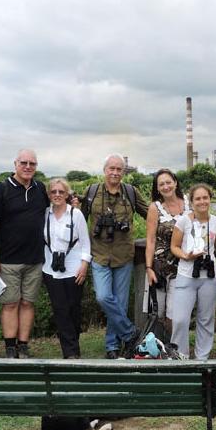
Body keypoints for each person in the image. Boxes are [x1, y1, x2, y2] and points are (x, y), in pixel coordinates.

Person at [79, 154, 149, 359]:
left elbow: (150, 214)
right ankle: (130, 333)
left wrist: (174, 218)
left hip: (124, 255)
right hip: (99, 254)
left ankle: (112, 346)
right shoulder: (92, 192)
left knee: (119, 303)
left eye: (119, 169)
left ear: (123, 172)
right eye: (112, 168)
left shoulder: (131, 192)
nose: (115, 173)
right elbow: (79, 219)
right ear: (104, 170)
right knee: (103, 297)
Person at [0, 149, 49, 359]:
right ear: (15, 164)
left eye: (32, 163)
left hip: (35, 259)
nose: (28, 167)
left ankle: (23, 345)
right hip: (8, 260)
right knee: (10, 303)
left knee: (28, 303)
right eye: (24, 163)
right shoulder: (1, 190)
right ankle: (10, 348)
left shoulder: (40, 189)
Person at [169, 184, 216, 360]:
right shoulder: (183, 221)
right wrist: (186, 255)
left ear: (210, 199)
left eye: (205, 198)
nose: (202, 202)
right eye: (198, 199)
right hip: (187, 274)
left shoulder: (215, 221)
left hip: (210, 276)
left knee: (206, 319)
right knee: (180, 319)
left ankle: (202, 358)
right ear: (191, 202)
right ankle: (181, 356)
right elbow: (174, 246)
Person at [41, 178, 92, 359]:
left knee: (73, 310)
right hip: (50, 269)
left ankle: (73, 345)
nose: (57, 195)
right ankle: (70, 353)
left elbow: (85, 242)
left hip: (74, 269)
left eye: (61, 192)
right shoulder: (44, 214)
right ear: (48, 194)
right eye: (53, 192)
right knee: (60, 310)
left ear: (67, 194)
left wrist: (84, 265)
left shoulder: (75, 215)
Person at [144, 168, 190, 336]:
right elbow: (150, 240)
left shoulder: (189, 203)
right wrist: (149, 268)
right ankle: (157, 344)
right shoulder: (155, 208)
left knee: (175, 311)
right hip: (160, 267)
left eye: (168, 182)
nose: (166, 186)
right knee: (158, 310)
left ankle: (174, 344)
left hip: (184, 265)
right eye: (161, 184)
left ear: (175, 183)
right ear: (157, 188)